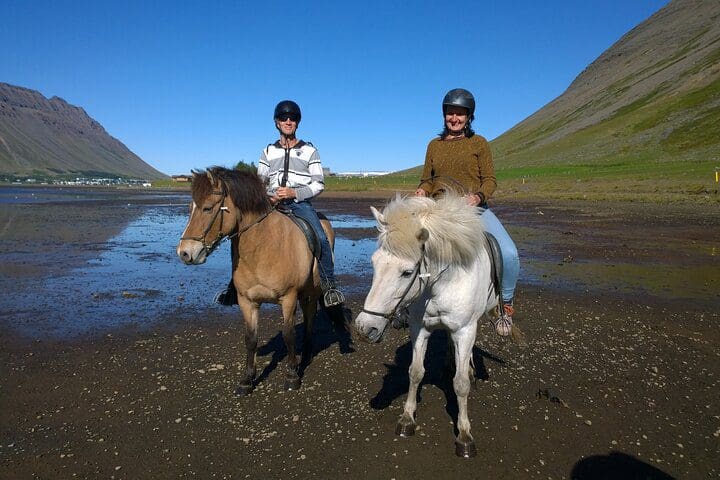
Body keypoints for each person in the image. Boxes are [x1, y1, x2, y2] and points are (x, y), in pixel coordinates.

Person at [215, 100, 344, 308]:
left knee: (321, 237)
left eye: (292, 118)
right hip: (270, 203)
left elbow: (319, 184)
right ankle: (233, 286)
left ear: (297, 123)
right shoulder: (267, 151)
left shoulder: (310, 151)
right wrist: (269, 196)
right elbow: (260, 182)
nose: (288, 121)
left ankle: (329, 286)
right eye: (284, 118)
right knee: (238, 233)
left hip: (299, 204)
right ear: (277, 122)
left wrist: (294, 192)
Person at [414, 88, 520, 336]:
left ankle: (505, 306)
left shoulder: (479, 143)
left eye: (460, 114)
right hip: (439, 210)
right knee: (407, 247)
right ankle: (404, 305)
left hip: (474, 210)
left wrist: (477, 197)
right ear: (444, 115)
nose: (455, 118)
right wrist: (421, 191)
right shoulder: (434, 145)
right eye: (451, 113)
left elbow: (490, 180)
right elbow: (427, 180)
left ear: (469, 117)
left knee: (509, 252)